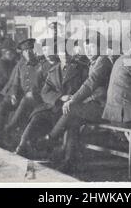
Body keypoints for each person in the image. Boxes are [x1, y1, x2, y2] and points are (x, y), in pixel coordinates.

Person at [39, 32, 113, 172]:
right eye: (86, 47)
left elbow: (90, 84)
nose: (88, 50)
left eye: (92, 46)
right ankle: (68, 161)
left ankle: (51, 138)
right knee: (73, 121)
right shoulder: (94, 62)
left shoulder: (103, 62)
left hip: (105, 108)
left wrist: (72, 100)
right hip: (96, 106)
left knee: (71, 109)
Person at [14, 36, 61, 157]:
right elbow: (38, 88)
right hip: (47, 102)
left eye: (51, 50)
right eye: (45, 50)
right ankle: (22, 146)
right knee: (36, 117)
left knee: (40, 115)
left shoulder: (62, 65)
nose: (48, 53)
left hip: (59, 104)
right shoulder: (43, 67)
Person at [0, 38, 42, 145]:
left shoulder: (41, 65)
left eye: (30, 50)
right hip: (22, 97)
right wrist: (14, 95)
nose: (28, 53)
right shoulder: (21, 65)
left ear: (35, 51)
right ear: (22, 53)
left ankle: (8, 129)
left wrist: (34, 92)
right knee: (3, 105)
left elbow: (45, 86)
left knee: (25, 100)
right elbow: (15, 83)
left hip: (37, 98)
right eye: (25, 51)